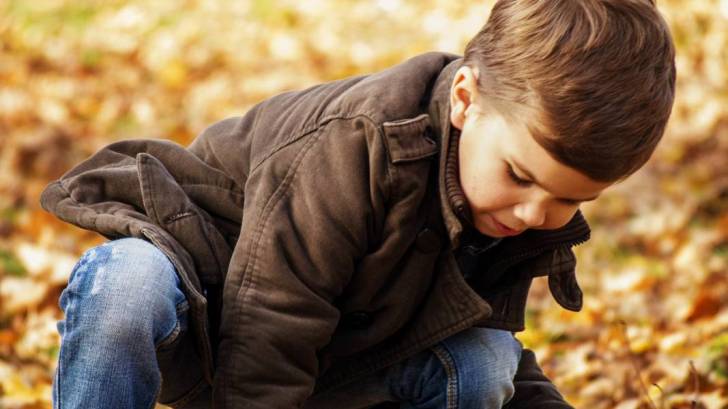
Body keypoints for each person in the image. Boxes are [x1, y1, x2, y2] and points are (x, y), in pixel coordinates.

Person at [40, 0, 676, 408]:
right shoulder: (359, 144)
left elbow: (493, 352)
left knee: (482, 364)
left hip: (334, 359)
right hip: (213, 318)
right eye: (519, 175)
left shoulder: (508, 213)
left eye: (571, 200)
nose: (536, 213)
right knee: (126, 289)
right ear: (465, 99)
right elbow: (272, 317)